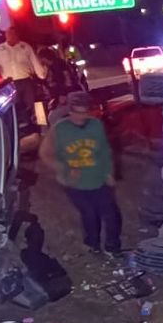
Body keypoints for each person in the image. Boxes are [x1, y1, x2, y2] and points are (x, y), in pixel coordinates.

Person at [40, 91, 122, 255]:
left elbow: (104, 150)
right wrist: (64, 169)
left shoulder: (95, 125)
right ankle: (93, 244)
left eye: (83, 112)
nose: (80, 116)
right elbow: (46, 154)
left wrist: (109, 171)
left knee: (112, 214)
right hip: (74, 183)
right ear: (69, 111)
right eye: (76, 112)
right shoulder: (59, 129)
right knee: (90, 214)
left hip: (98, 178)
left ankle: (112, 247)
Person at [0, 26, 46, 128]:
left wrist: (41, 75)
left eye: (14, 34)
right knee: (16, 107)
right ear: (6, 35)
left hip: (26, 80)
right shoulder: (0, 49)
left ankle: (41, 127)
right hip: (10, 83)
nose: (11, 36)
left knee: (33, 105)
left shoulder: (25, 47)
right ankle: (22, 128)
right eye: (9, 34)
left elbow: (34, 61)